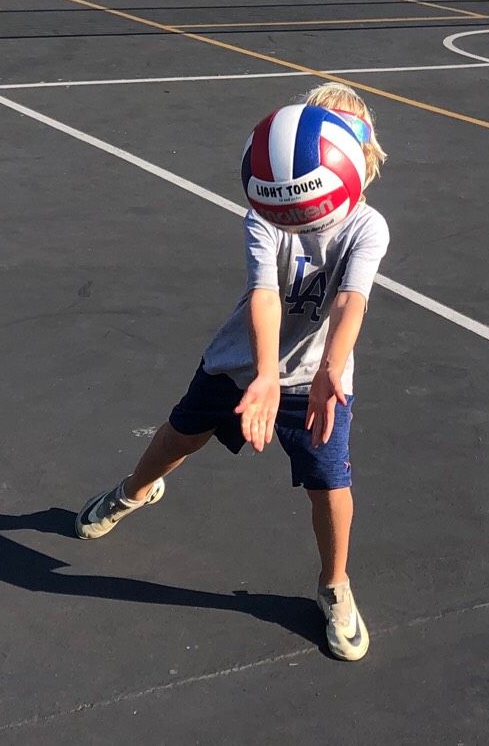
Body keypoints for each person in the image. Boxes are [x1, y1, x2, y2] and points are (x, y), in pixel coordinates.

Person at [74, 82, 391, 662]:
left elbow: (352, 301)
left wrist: (328, 372)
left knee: (331, 485)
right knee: (179, 436)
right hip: (239, 362)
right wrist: (265, 373)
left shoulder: (366, 226)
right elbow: (263, 295)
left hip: (319, 379)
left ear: (361, 151)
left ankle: (335, 586)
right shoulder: (266, 213)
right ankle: (132, 491)